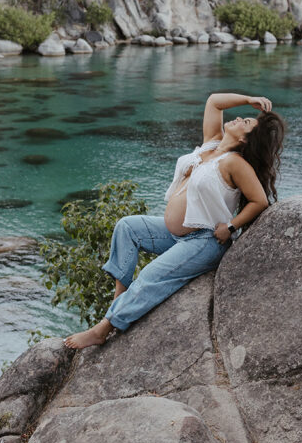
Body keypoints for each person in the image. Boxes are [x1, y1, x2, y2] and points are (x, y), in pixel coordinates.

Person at [64, 92, 285, 349]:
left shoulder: (235, 163)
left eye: (245, 122)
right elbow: (214, 101)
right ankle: (118, 303)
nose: (237, 118)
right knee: (127, 227)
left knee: (150, 275)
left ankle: (103, 329)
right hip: (175, 235)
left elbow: (259, 201)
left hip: (204, 241)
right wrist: (248, 99)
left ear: (245, 138)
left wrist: (231, 226)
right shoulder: (211, 145)